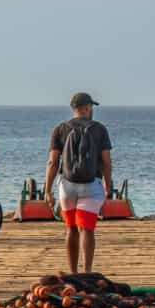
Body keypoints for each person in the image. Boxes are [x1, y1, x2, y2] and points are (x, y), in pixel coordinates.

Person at [44, 92, 113, 274]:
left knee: (71, 228)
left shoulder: (60, 129)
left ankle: (73, 273)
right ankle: (87, 272)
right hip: (92, 184)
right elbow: (106, 162)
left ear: (73, 108)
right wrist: (107, 186)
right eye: (91, 107)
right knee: (87, 229)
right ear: (87, 107)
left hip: (67, 185)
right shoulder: (99, 129)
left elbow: (52, 162)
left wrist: (48, 190)